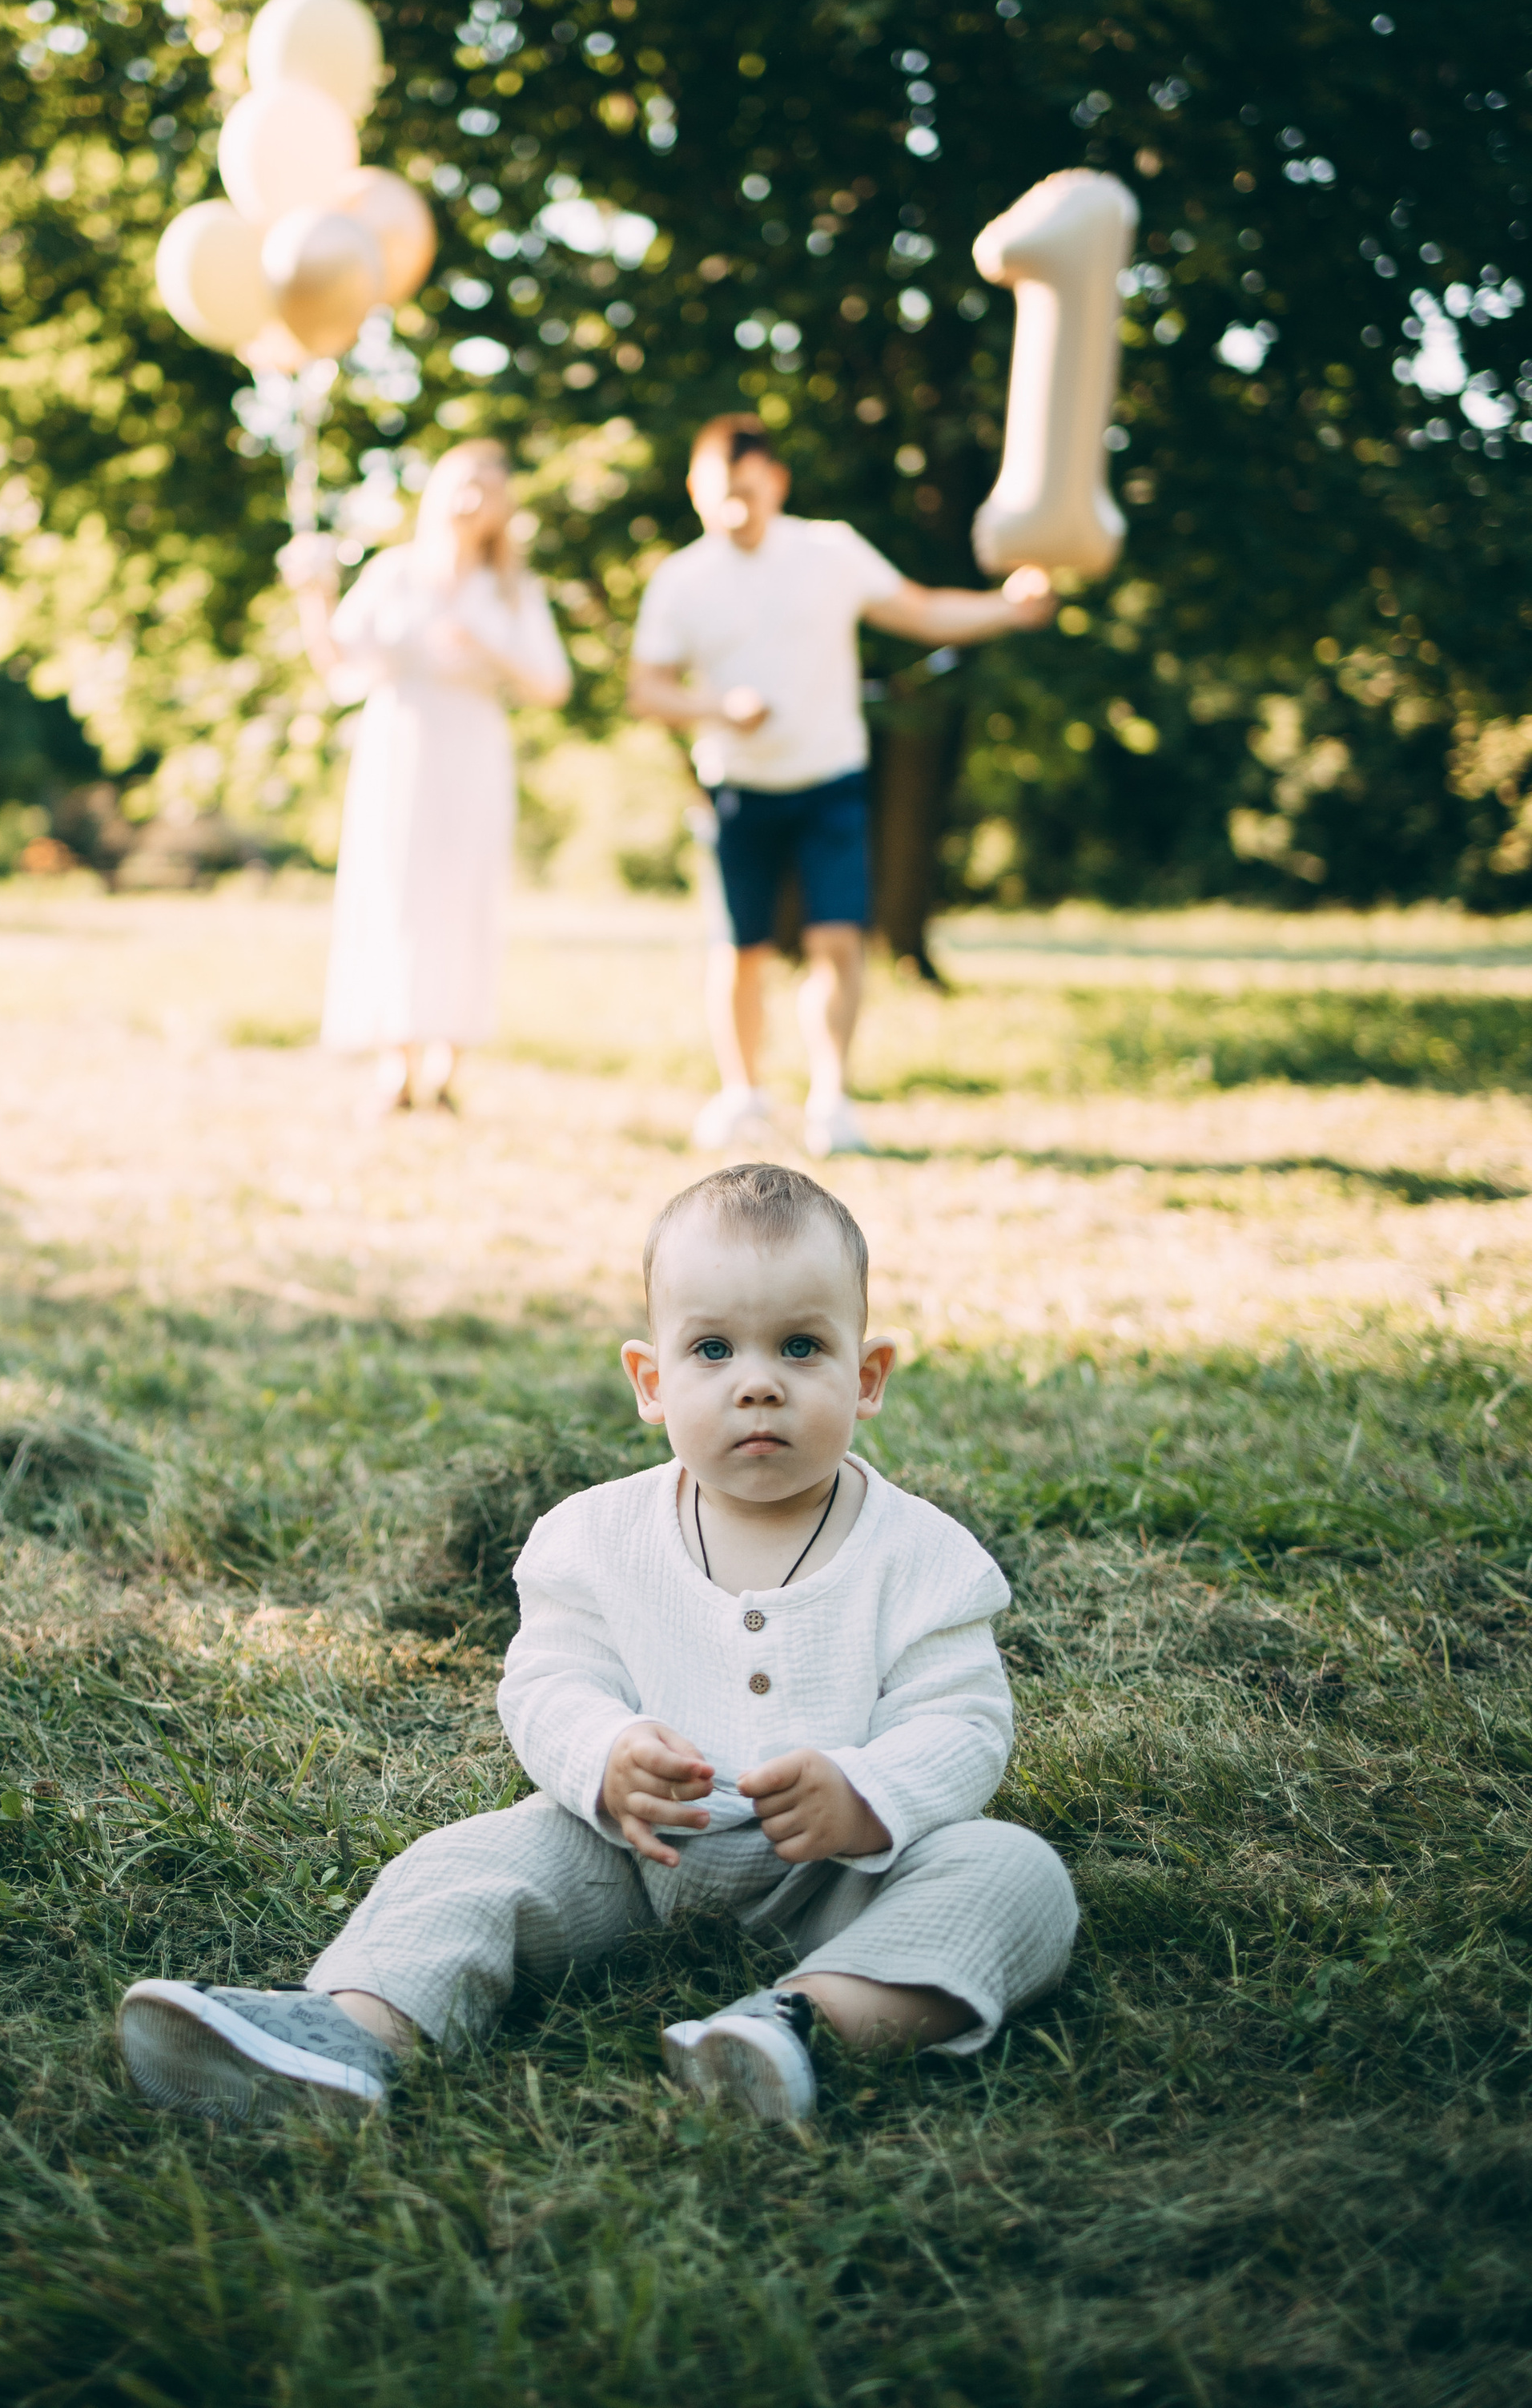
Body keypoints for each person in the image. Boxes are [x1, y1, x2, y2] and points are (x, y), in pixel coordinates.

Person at [115, 1160, 1078, 2128]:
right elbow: (548, 1683)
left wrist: (868, 1794)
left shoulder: (925, 1558)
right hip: (629, 1858)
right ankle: (353, 2029)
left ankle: (803, 2025)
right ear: (651, 1383)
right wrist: (606, 1757)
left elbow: (961, 1721)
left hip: (843, 1879)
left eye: (800, 1347)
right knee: (466, 1861)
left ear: (865, 1377)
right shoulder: (592, 1539)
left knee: (1015, 1874)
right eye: (712, 1350)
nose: (756, 1385)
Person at [628, 413, 1054, 1159]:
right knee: (740, 951)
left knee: (838, 942)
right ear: (694, 489)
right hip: (737, 788)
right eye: (720, 494)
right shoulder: (680, 579)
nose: (735, 509)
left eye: (748, 492)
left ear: (777, 483)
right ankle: (743, 1095)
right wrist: (718, 708)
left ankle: (831, 1101)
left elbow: (921, 610)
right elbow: (647, 689)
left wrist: (1010, 610)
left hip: (831, 780)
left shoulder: (830, 551)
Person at [283, 440, 571, 1116]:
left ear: (502, 508)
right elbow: (337, 661)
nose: (471, 499)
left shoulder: (511, 589)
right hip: (399, 744)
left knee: (463, 897)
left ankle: (447, 1068)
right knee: (394, 892)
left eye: (486, 489)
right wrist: (313, 597)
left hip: (472, 748)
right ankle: (398, 1062)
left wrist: (485, 644)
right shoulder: (394, 573)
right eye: (462, 483)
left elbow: (552, 684)